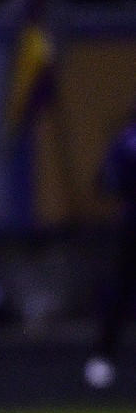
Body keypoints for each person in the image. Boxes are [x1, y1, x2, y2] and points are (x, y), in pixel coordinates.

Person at [84, 109, 136, 390]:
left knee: (121, 291)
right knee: (120, 291)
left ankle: (102, 358)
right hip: (131, 225)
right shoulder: (128, 139)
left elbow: (106, 181)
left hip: (130, 224)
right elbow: (106, 180)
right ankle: (102, 357)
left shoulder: (125, 138)